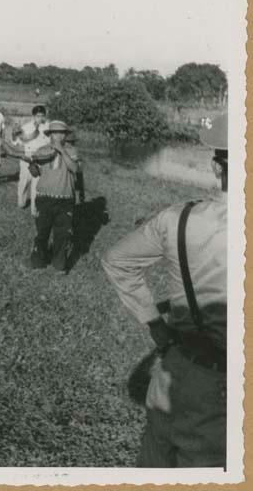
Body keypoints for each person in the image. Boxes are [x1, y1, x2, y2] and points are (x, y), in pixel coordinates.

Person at [101, 113, 227, 468]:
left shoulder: (178, 218)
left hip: (176, 371)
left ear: (216, 168)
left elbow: (117, 261)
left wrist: (155, 324)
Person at [30, 120, 81, 273]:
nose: (58, 136)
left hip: (65, 199)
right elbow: (36, 173)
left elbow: (75, 168)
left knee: (63, 234)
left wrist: (61, 150)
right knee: (42, 232)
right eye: (55, 132)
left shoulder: (72, 150)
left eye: (62, 133)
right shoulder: (41, 150)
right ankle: (38, 262)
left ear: (65, 135)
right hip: (45, 197)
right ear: (50, 134)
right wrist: (32, 166)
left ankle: (59, 265)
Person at [13, 105, 50, 216]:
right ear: (33, 116)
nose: (40, 118)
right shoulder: (26, 127)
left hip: (41, 161)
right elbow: (17, 142)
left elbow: (50, 143)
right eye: (37, 116)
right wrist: (14, 134)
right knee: (24, 183)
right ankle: (22, 202)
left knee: (37, 187)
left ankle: (35, 210)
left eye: (42, 115)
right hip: (27, 161)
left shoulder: (48, 127)